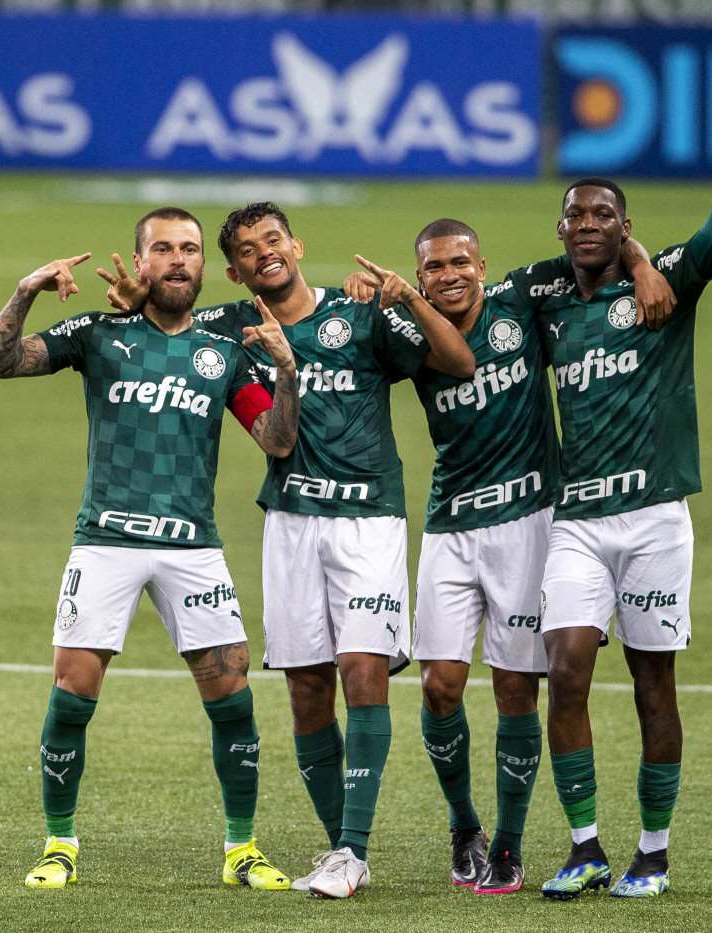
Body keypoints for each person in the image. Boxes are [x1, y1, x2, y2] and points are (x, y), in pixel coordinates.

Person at [104, 201, 476, 898]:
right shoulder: (231, 331)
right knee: (307, 688)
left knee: (362, 671)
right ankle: (343, 851)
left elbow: (458, 362)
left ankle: (354, 850)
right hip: (290, 522)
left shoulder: (358, 314)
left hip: (368, 519)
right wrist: (130, 305)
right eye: (247, 249)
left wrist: (404, 298)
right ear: (234, 269)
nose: (264, 253)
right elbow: (163, 316)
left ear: (295, 245)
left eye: (273, 239)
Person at [342, 224, 672, 895]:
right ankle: (464, 824)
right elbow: (452, 357)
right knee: (438, 685)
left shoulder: (523, 298)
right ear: (421, 274)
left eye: (461, 261)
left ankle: (509, 842)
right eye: (433, 267)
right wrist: (364, 297)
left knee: (517, 685)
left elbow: (595, 250)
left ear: (483, 266)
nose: (449, 274)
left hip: (529, 519)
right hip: (450, 523)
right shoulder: (408, 330)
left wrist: (638, 263)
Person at [0, 207, 301, 891]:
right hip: (106, 542)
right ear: (140, 262)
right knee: (72, 693)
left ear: (203, 266)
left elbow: (274, 439)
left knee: (233, 699)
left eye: (189, 248)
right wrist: (27, 288)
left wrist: (287, 373)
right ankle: (58, 842)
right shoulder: (99, 333)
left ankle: (241, 848)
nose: (178, 259)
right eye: (162, 248)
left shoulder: (224, 342)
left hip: (193, 548)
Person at [511, 111, 712, 900]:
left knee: (651, 685)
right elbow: (471, 300)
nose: (588, 224)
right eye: (576, 215)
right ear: (560, 227)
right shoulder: (545, 299)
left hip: (656, 518)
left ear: (624, 225)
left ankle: (654, 853)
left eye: (605, 216)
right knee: (563, 671)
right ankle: (586, 846)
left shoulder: (668, 280)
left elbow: (711, 242)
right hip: (578, 522)